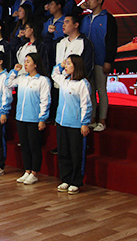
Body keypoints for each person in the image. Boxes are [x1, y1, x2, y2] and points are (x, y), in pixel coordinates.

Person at [6, 53, 51, 185]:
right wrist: (14, 71)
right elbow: (8, 83)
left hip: (34, 118)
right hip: (21, 117)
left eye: (28, 61)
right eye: (25, 61)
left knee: (34, 146)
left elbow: (45, 100)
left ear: (35, 64)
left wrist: (42, 118)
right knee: (24, 146)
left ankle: (34, 172)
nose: (25, 64)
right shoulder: (22, 78)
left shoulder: (42, 80)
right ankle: (27, 170)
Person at [52, 55, 92, 195]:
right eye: (66, 63)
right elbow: (54, 74)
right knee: (63, 152)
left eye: (69, 63)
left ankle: (76, 181)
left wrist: (84, 123)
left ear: (76, 66)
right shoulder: (64, 80)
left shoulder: (83, 83)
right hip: (62, 122)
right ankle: (65, 179)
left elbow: (86, 104)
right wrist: (60, 65)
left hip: (75, 124)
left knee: (76, 153)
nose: (66, 66)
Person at [81, 0, 118, 132]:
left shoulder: (108, 18)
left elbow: (112, 41)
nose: (88, 2)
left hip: (101, 60)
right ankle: (92, 118)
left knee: (101, 90)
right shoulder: (85, 18)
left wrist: (108, 60)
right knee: (89, 90)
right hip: (87, 61)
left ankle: (102, 120)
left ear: (100, 1)